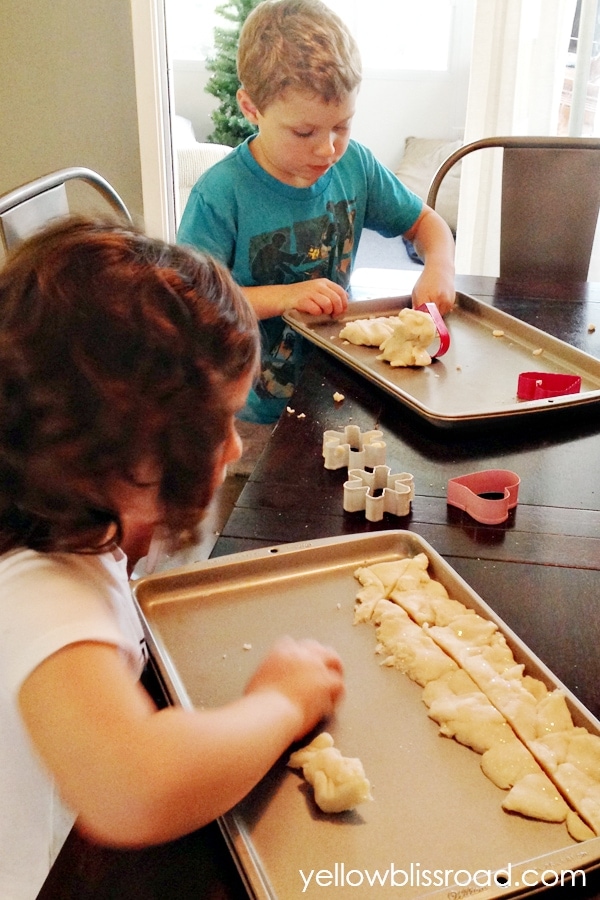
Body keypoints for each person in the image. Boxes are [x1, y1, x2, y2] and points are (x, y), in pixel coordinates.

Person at [0, 217, 345, 900]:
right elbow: (132, 788)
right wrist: (280, 702)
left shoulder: (71, 522)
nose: (235, 447)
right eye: (215, 426)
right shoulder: (38, 590)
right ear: (106, 446)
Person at [178, 0, 456, 426]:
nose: (327, 148)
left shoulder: (355, 166)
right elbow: (191, 306)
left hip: (337, 392)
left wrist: (439, 266)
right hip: (249, 414)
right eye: (304, 131)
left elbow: (426, 225)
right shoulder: (220, 195)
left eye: (342, 126)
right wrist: (286, 297)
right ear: (252, 108)